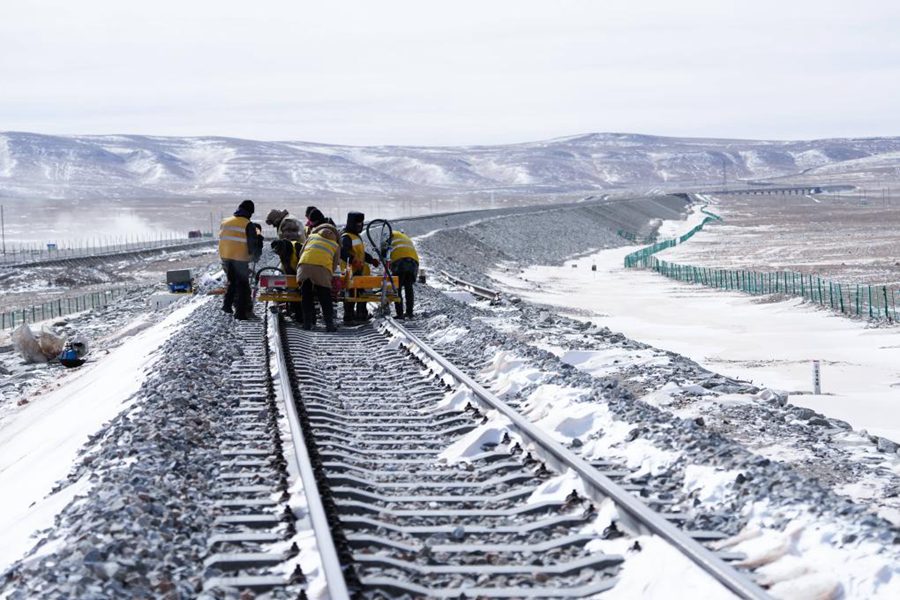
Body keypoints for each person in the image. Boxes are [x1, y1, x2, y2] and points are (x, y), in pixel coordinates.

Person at [219, 200, 262, 320]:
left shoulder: (225, 221)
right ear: (250, 212)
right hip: (239, 258)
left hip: (225, 256)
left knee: (232, 282)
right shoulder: (247, 224)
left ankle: (227, 306)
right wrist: (255, 256)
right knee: (243, 286)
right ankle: (240, 313)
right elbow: (252, 244)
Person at [296, 215, 340, 332]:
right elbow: (334, 264)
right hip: (322, 270)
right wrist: (328, 275)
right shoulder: (335, 245)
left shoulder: (311, 237)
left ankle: (307, 324)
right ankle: (329, 325)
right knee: (325, 297)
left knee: (306, 296)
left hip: (304, 267)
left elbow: (301, 253)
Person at [340, 211, 380, 323]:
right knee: (351, 296)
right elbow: (342, 252)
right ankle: (348, 317)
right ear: (351, 224)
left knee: (362, 295)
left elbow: (361, 253)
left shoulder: (355, 236)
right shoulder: (346, 237)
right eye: (357, 224)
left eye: (361, 224)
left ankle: (361, 315)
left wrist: (371, 260)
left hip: (360, 272)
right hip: (350, 272)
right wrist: (353, 261)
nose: (360, 226)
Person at [388, 230, 419, 318]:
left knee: (397, 288)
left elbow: (384, 254)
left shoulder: (389, 238)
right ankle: (409, 312)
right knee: (409, 287)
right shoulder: (405, 238)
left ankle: (400, 314)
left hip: (399, 262)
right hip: (413, 262)